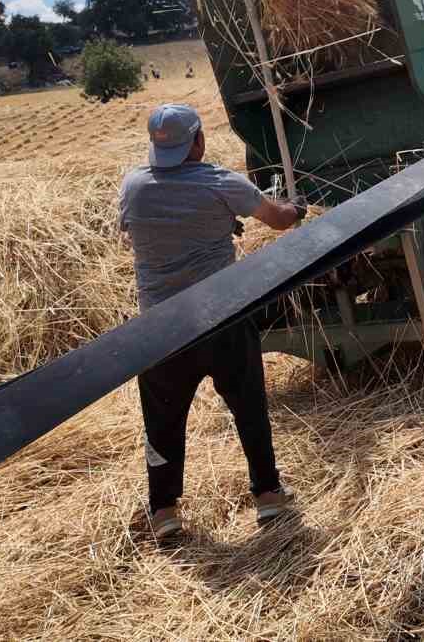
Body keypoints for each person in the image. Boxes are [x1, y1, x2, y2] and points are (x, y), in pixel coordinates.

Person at [118, 103, 302, 538]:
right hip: (221, 317)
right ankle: (268, 496)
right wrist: (296, 208)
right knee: (248, 406)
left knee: (162, 422)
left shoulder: (133, 186)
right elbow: (276, 220)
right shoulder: (220, 182)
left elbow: (136, 232)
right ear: (197, 141)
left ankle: (163, 511)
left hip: (160, 329)